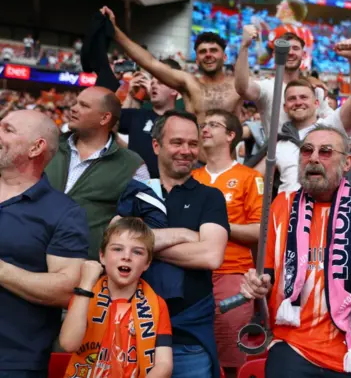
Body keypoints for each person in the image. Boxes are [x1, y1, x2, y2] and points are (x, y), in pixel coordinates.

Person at [239, 125, 351, 378]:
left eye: (325, 152)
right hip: (294, 346)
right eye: (307, 151)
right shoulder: (281, 205)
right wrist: (256, 286)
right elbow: (265, 280)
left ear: (347, 163)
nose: (313, 158)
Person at [0, 110, 89, 378]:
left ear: (35, 147)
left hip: (13, 362)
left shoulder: (63, 212)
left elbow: (65, 289)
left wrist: (2, 271)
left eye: (8, 129)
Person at [149, 110, 230, 378]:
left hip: (189, 338)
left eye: (193, 144)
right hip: (135, 332)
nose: (186, 151)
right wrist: (185, 234)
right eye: (177, 142)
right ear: (156, 145)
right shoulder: (137, 191)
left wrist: (144, 244)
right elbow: (118, 247)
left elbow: (210, 256)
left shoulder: (210, 197)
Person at [191, 109, 263, 376]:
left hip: (233, 274)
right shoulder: (192, 179)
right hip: (194, 272)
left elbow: (259, 230)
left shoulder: (250, 178)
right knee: (193, 352)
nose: (205, 129)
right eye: (203, 124)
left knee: (232, 360)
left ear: (231, 135)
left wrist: (216, 226)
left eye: (214, 125)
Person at [59, 218, 173, 378]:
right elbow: (68, 343)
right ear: (102, 256)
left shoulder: (157, 304)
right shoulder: (84, 296)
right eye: (117, 249)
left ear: (147, 263)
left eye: (137, 252)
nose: (126, 256)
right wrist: (85, 284)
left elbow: (164, 364)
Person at [45, 86, 149, 261]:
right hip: (26, 257)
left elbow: (147, 221)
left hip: (85, 268)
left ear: (105, 118)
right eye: (76, 102)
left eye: (84, 105)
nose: (73, 108)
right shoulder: (48, 146)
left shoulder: (133, 166)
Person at [100, 7, 241, 121]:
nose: (208, 55)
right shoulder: (189, 83)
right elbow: (150, 62)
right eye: (203, 52)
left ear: (225, 57)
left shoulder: (240, 87)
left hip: (227, 156)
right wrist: (115, 32)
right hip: (195, 155)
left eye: (213, 50)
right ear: (197, 60)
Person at [275, 40, 351, 192]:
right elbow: (257, 178)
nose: (298, 102)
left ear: (317, 103)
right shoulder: (278, 143)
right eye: (292, 99)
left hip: (327, 212)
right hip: (287, 213)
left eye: (304, 97)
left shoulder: (331, 126)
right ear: (285, 107)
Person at [235, 27, 331, 138]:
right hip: (276, 154)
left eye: (295, 48)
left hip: (312, 153)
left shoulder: (315, 90)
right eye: (285, 49)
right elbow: (242, 88)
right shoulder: (267, 87)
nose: (290, 52)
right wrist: (244, 46)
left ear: (304, 55)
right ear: (275, 55)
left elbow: (334, 122)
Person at [120, 60, 180, 178]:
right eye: (152, 82)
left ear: (174, 90)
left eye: (160, 82)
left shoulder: (183, 122)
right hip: (134, 187)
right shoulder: (136, 115)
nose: (153, 85)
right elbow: (107, 120)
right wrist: (131, 94)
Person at [259, 0, 314, 70]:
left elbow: (262, 60)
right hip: (303, 76)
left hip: (285, 77)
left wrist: (258, 37)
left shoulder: (281, 31)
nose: (277, 6)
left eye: (281, 5)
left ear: (289, 11)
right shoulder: (308, 33)